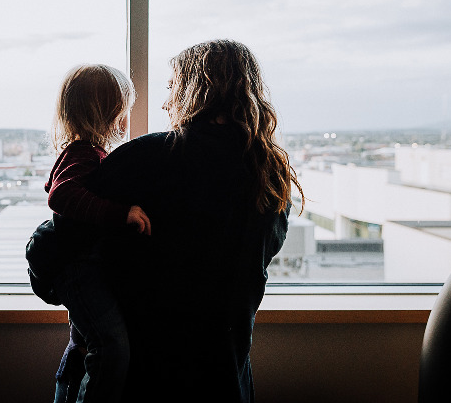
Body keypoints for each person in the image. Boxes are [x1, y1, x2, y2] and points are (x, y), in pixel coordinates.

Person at [78, 39, 304, 403]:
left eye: (172, 87)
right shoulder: (270, 178)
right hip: (225, 379)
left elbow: (62, 243)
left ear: (195, 90)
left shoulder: (144, 159)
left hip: (139, 377)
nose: (167, 102)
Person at [41, 64, 152, 403]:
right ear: (107, 113)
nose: (126, 118)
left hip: (81, 268)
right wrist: (122, 214)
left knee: (84, 345)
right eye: (123, 109)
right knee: (112, 348)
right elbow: (60, 194)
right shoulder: (84, 154)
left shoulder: (85, 152)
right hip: (79, 270)